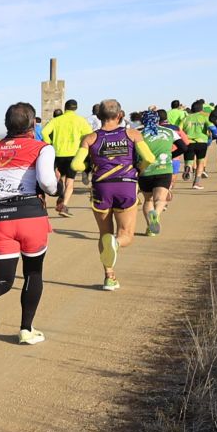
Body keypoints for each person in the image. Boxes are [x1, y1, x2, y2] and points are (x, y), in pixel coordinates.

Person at [0, 102, 57, 345]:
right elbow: (47, 182)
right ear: (33, 123)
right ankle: (26, 330)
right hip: (30, 215)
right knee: (33, 273)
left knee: (4, 279)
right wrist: (56, 190)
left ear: (6, 124)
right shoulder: (42, 148)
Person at [81, 100, 152, 290]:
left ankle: (109, 277)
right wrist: (139, 170)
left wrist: (82, 169)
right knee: (126, 235)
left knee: (104, 234)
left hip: (101, 187)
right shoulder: (132, 134)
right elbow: (149, 158)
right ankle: (117, 243)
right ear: (120, 115)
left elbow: (76, 164)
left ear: (98, 116)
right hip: (126, 186)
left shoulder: (89, 138)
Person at [44, 98, 94, 217]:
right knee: (70, 183)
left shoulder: (56, 120)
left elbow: (45, 132)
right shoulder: (81, 120)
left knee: (57, 177)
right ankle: (64, 206)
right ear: (76, 108)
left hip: (57, 154)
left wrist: (49, 143)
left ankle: (51, 200)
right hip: (73, 154)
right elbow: (89, 135)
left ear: (65, 108)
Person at [136, 109, 180, 236]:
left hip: (145, 170)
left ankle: (150, 229)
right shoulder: (169, 131)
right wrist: (170, 155)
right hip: (164, 168)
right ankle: (156, 213)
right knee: (160, 199)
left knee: (148, 199)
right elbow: (183, 146)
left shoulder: (140, 134)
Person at [181, 98, 214, 187]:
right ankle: (196, 182)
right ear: (201, 109)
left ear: (192, 109)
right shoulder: (205, 117)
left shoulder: (186, 118)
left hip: (188, 142)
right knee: (200, 162)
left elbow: (179, 130)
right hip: (202, 142)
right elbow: (213, 128)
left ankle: (188, 168)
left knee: (189, 161)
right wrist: (214, 137)